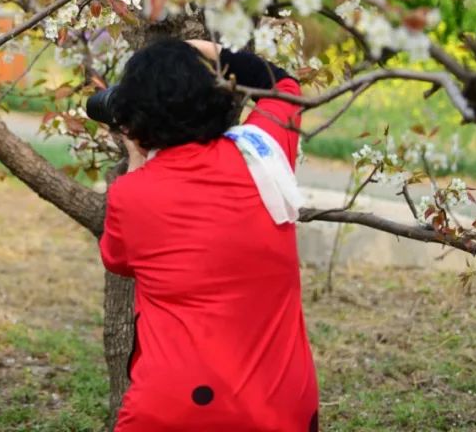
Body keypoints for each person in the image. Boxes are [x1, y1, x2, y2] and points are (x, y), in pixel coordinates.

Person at [88, 38, 319, 432]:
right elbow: (284, 87)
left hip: (175, 406)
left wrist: (137, 161)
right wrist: (216, 53)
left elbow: (118, 260)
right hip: (279, 403)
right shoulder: (262, 152)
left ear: (134, 120)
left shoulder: (132, 195)